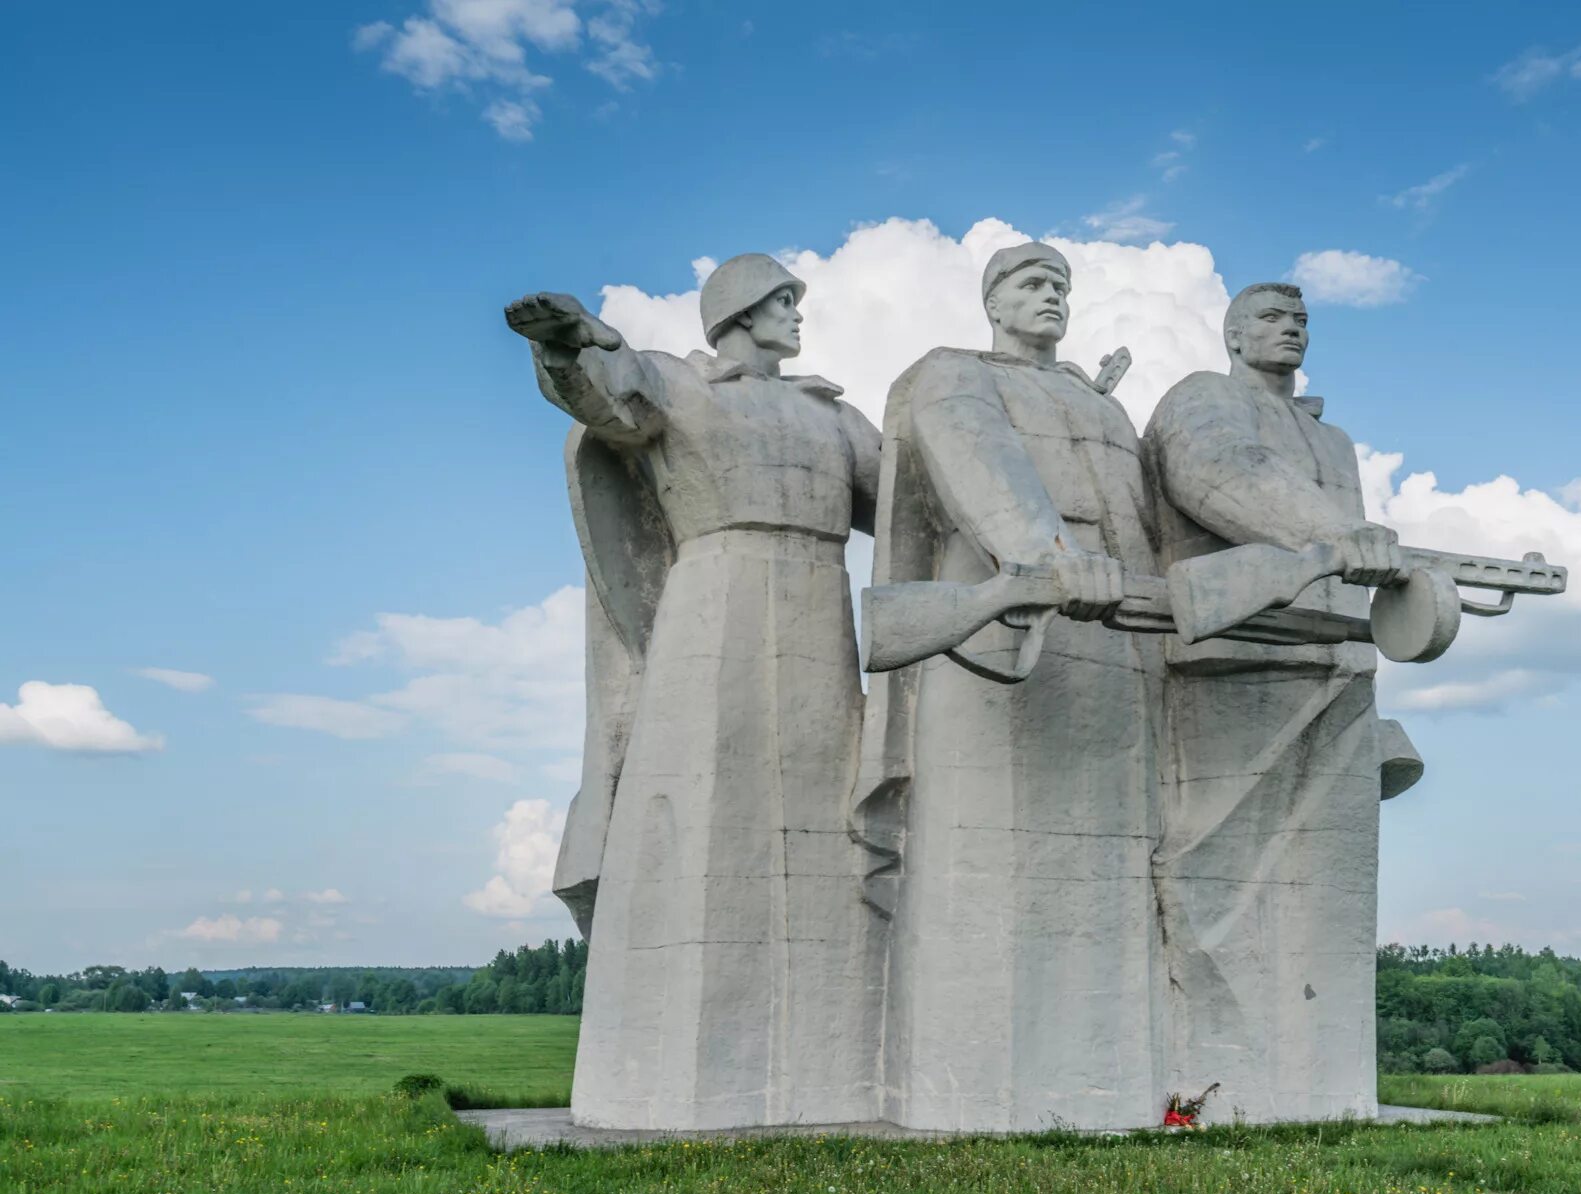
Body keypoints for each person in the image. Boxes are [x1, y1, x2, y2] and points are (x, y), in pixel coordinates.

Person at [505, 254, 884, 1130]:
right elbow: (610, 393)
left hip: (820, 613)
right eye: (784, 301)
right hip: (712, 607)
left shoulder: (831, 414)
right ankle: (685, 1066)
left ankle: (831, 1065)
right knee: (702, 820)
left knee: (825, 820)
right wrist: (573, 338)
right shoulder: (683, 388)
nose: (798, 315)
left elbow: (907, 499)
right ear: (741, 313)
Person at [854, 242, 1163, 1132]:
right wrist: (1047, 553)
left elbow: (1141, 525)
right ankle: (966, 1096)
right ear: (991, 300)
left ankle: (1106, 1091)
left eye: (1062, 286)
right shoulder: (951, 373)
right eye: (1033, 284)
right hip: (994, 637)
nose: (1052, 298)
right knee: (980, 869)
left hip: (1112, 640)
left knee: (1104, 875)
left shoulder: (1102, 409)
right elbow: (979, 463)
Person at [1141, 281, 1421, 1122]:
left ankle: (1318, 1090)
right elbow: (1217, 475)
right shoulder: (1201, 400)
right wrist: (1328, 535)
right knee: (1208, 875)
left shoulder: (1332, 440)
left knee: (1322, 893)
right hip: (1235, 659)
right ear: (1231, 332)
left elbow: (1355, 551)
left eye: (1301, 319)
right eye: (1270, 316)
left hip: (1333, 662)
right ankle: (1213, 1078)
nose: (1291, 328)